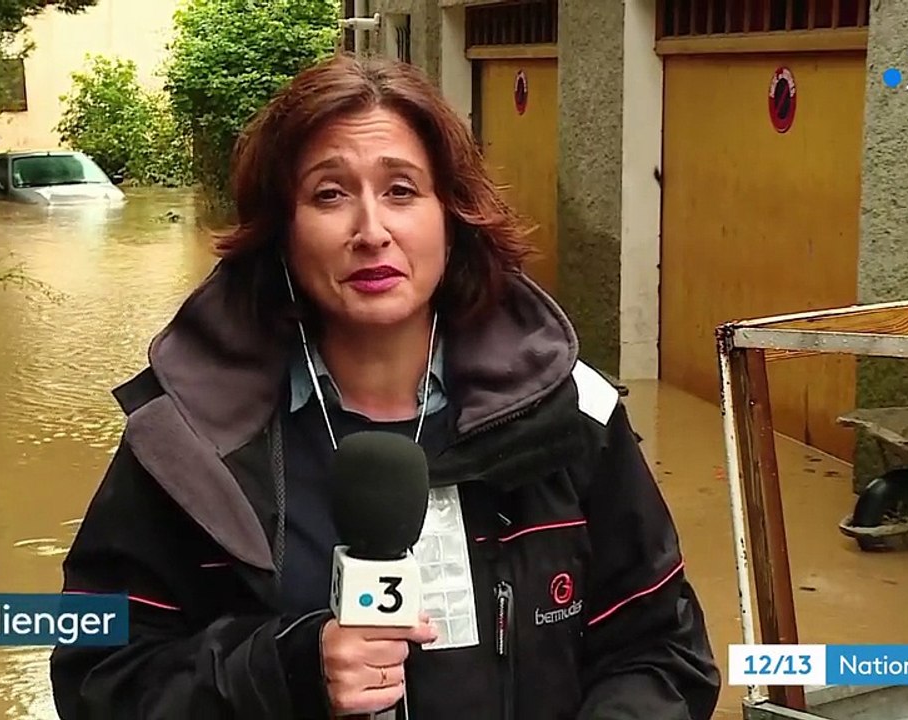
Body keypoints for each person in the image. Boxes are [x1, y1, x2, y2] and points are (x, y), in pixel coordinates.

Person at [49, 52, 720, 719]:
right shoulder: (187, 445)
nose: (372, 232)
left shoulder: (572, 417)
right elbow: (99, 679)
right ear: (282, 234)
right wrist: (286, 672)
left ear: (451, 219)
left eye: (401, 191)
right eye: (330, 195)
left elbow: (662, 652)